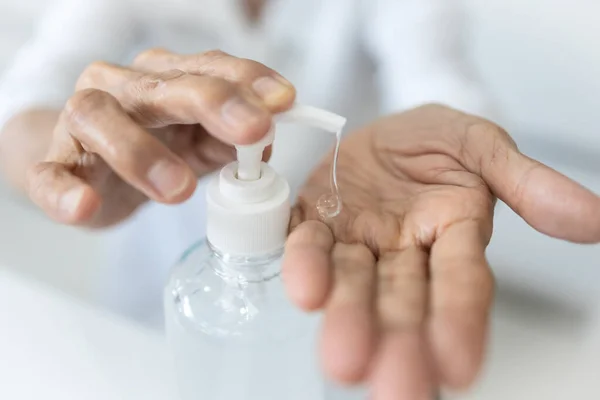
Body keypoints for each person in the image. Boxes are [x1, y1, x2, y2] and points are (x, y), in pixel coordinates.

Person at [0, 0, 598, 399]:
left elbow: (437, 71)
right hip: (144, 311)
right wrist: (67, 160)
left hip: (338, 276)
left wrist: (453, 130)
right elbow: (27, 104)